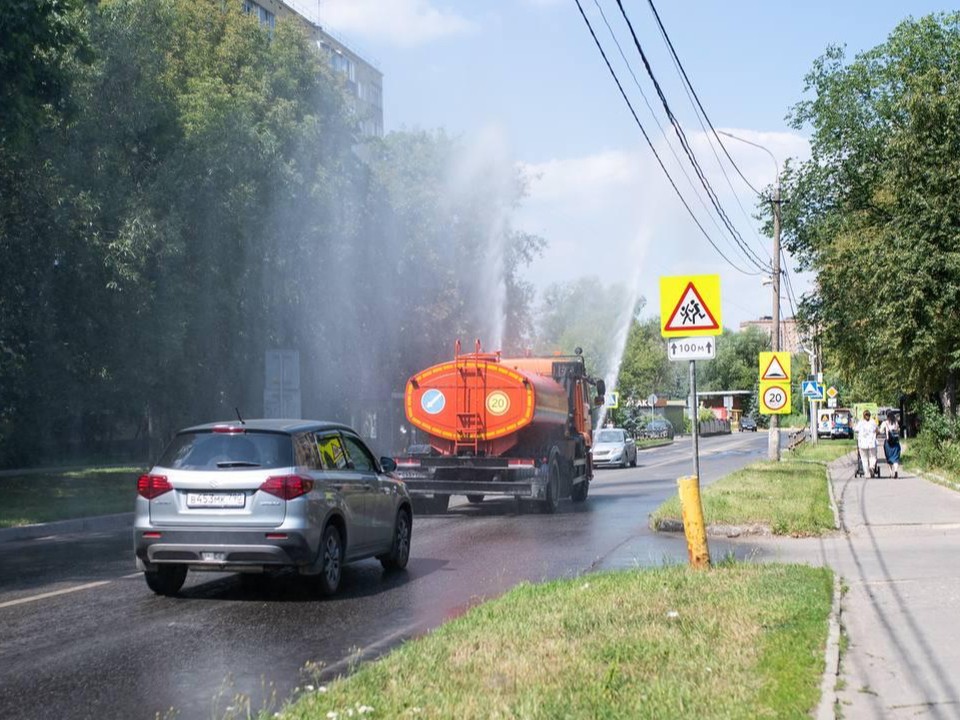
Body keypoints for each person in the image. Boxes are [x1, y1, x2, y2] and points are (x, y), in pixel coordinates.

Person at [855, 409, 879, 477]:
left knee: (864, 458)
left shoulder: (860, 423)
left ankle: (867, 473)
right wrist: (875, 434)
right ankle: (872, 467)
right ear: (870, 415)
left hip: (862, 443)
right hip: (871, 442)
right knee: (873, 456)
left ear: (863, 416)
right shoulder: (873, 422)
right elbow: (877, 430)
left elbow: (856, 430)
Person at [881, 410, 902, 478]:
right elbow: (898, 430)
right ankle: (896, 470)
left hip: (888, 443)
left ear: (887, 416)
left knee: (889, 458)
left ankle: (891, 473)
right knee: (895, 458)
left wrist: (885, 431)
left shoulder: (885, 423)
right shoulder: (896, 422)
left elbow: (881, 431)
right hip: (896, 443)